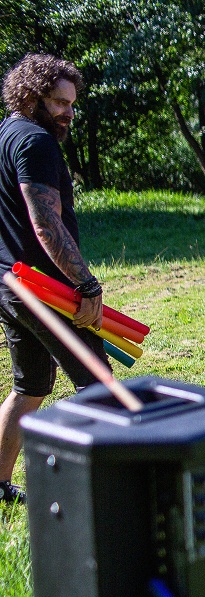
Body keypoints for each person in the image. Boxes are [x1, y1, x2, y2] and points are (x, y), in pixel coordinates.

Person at [0, 54, 104, 504]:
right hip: (42, 290)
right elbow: (46, 224)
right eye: (59, 102)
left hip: (8, 283)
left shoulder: (5, 133)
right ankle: (98, 492)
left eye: (72, 104)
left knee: (29, 388)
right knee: (98, 386)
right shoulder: (37, 142)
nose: (68, 112)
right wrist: (85, 286)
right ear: (32, 96)